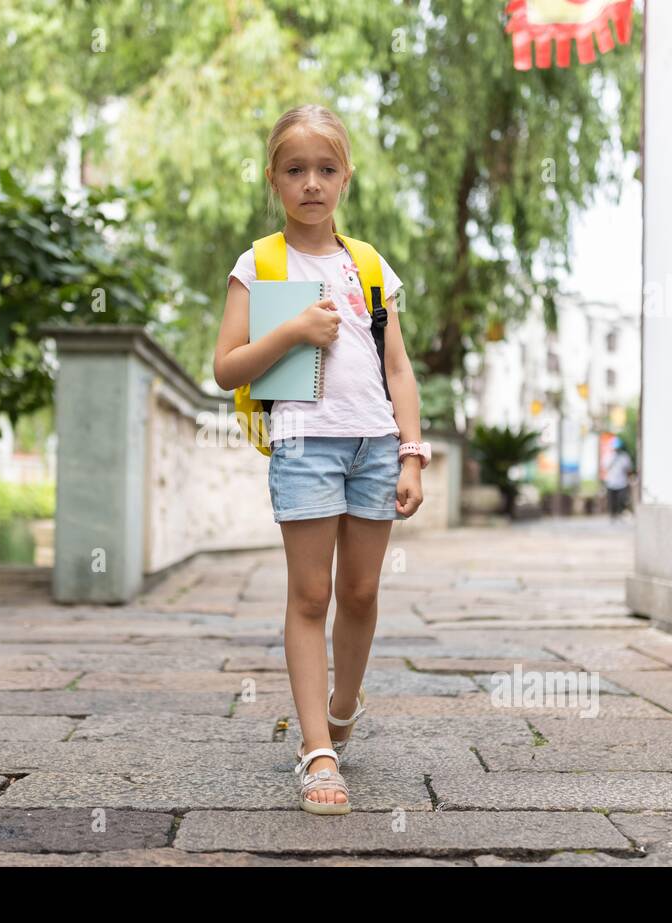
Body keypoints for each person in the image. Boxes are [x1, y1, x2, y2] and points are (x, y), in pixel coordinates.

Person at [213, 104, 426, 815]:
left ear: (346, 177)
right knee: (310, 597)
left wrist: (412, 453)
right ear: (274, 178)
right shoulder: (260, 263)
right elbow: (226, 367)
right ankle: (318, 750)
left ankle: (340, 708)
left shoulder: (367, 265)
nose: (312, 183)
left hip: (372, 445)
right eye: (296, 169)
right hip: (304, 444)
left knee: (361, 593)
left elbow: (397, 368)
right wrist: (296, 330)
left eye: (326, 170)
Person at [604, 437, 635, 522]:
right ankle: (612, 516)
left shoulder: (625, 457)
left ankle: (620, 513)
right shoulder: (609, 456)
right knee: (612, 501)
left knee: (622, 500)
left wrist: (630, 478)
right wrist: (613, 458)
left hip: (622, 483)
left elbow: (629, 469)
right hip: (611, 482)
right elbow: (605, 467)